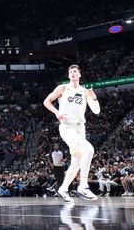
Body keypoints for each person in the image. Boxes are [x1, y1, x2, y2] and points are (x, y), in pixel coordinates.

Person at [42, 65, 100, 202]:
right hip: (67, 127)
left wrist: (94, 97)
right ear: (69, 76)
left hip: (81, 129)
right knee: (89, 149)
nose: (73, 73)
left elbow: (96, 111)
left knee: (76, 163)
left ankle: (63, 189)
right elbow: (46, 101)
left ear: (79, 75)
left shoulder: (85, 91)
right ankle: (83, 186)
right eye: (71, 72)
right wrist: (57, 113)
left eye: (75, 71)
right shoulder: (63, 88)